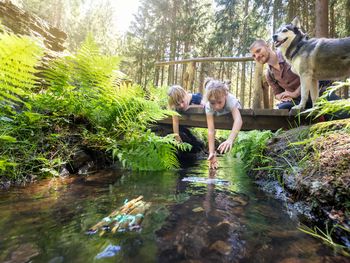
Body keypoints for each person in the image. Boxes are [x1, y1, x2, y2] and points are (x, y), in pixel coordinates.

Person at [249, 39, 305, 110]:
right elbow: (277, 93)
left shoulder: (289, 55)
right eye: (254, 56)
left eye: (258, 51)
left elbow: (311, 75)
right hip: (298, 101)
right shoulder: (269, 74)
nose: (257, 56)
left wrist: (295, 93)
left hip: (315, 92)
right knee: (281, 108)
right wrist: (283, 96)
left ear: (267, 46)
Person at [204, 78, 243, 169]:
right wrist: (211, 153)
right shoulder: (209, 106)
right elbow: (211, 130)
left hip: (233, 109)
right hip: (220, 114)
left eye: (219, 102)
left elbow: (238, 120)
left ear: (225, 95)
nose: (216, 106)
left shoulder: (230, 100)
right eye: (213, 103)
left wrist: (230, 140)